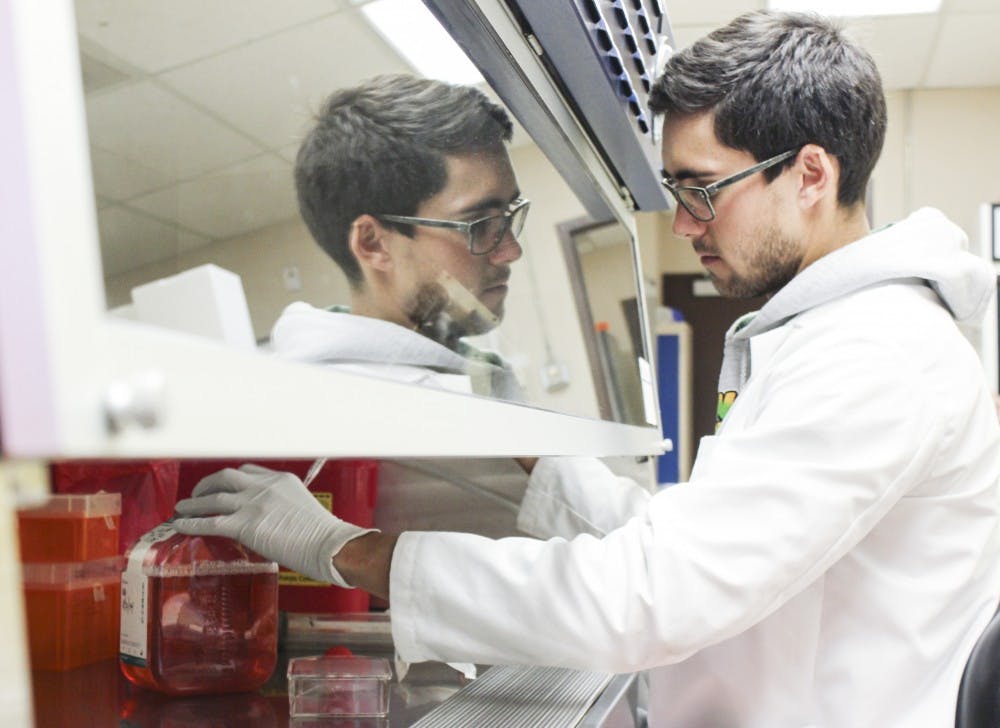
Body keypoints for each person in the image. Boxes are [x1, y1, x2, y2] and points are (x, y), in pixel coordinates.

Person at [173, 11, 1000, 727]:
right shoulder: (834, 334)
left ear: (810, 174)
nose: (682, 224)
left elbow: (654, 593)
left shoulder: (874, 354)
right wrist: (543, 463)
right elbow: (702, 540)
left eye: (701, 189)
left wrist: (342, 546)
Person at [274, 73, 528, 400]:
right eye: (478, 223)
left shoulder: (479, 376)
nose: (510, 250)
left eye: (509, 214)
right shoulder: (338, 411)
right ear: (374, 244)